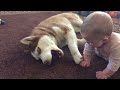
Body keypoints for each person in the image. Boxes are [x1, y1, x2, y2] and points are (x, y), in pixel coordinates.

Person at [79, 11, 120, 79]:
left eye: (90, 42)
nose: (88, 43)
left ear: (105, 40)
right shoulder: (93, 39)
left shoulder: (116, 46)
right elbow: (88, 48)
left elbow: (114, 63)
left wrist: (105, 73)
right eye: (87, 40)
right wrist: (87, 60)